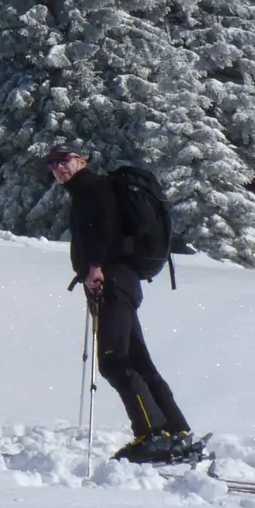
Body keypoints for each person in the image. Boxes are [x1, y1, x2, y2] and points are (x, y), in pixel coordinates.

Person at [46, 145, 195, 461]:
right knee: (137, 361)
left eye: (65, 160)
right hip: (121, 281)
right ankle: (176, 432)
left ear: (82, 160)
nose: (59, 167)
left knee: (114, 362)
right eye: (53, 164)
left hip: (110, 281)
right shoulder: (90, 190)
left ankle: (152, 434)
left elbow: (103, 228)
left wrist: (94, 266)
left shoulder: (92, 189)